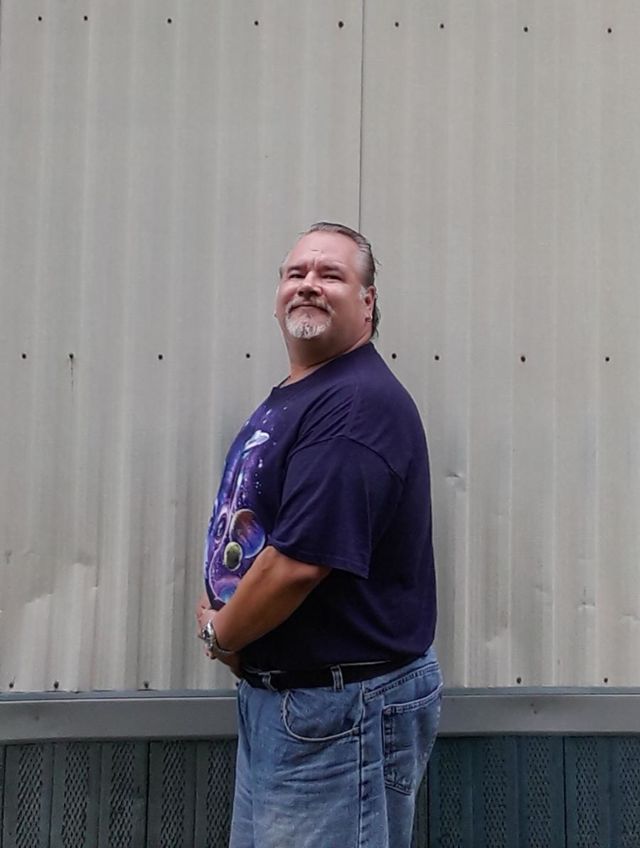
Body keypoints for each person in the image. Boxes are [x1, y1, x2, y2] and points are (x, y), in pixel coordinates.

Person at [196, 222, 442, 848]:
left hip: (336, 711)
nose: (308, 284)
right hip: (292, 701)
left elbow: (300, 562)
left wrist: (222, 632)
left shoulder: (355, 404)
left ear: (368, 301)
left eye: (330, 274)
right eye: (295, 273)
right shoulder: (305, 392)